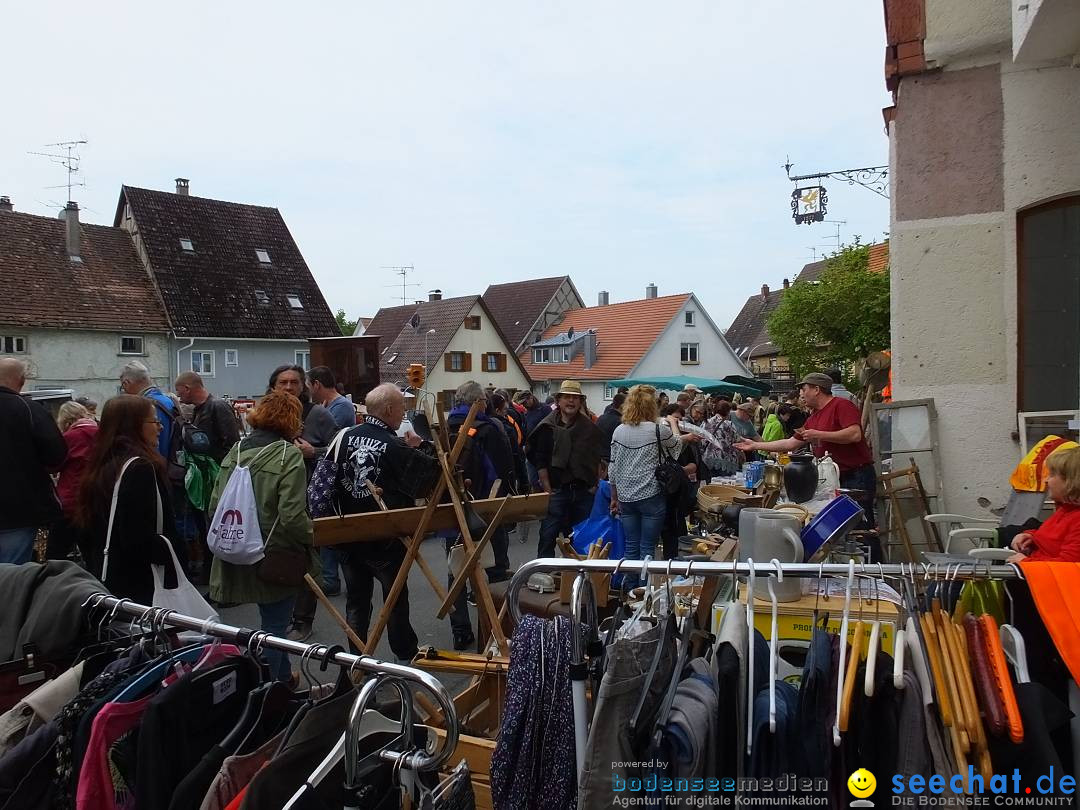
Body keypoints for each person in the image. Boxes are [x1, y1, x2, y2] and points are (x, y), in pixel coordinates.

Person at [208, 390, 319, 681]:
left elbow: (214, 504)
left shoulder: (236, 451)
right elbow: (293, 516)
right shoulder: (288, 455)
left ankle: (278, 681)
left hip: (236, 548)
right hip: (274, 556)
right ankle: (274, 690)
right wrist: (314, 537)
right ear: (292, 419)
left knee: (260, 629)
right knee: (275, 628)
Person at [323, 383, 428, 662]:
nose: (403, 414)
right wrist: (421, 451)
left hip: (348, 533)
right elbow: (424, 483)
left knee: (357, 601)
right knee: (394, 599)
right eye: (402, 409)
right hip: (386, 538)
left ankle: (357, 656)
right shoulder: (394, 445)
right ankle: (404, 652)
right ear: (390, 410)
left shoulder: (343, 437)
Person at [76, 395, 186, 604]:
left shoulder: (102, 464)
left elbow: (85, 528)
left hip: (108, 575)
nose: (160, 428)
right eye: (155, 421)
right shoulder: (140, 469)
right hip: (141, 582)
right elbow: (139, 537)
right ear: (134, 426)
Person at [737, 372, 878, 533]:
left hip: (856, 476)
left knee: (860, 529)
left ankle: (873, 558)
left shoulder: (842, 405)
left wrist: (819, 434)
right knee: (839, 530)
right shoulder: (814, 417)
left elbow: (854, 434)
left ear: (817, 389)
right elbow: (790, 443)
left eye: (804, 389)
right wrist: (755, 445)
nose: (801, 394)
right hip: (834, 477)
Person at [446, 382, 517, 649]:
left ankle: (460, 631)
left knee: (456, 570)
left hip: (451, 510)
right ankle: (494, 629)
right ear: (481, 403)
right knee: (494, 569)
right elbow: (502, 470)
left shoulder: (446, 426)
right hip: (486, 510)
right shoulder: (490, 429)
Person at [608, 387, 686, 570]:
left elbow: (612, 468)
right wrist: (673, 424)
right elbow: (676, 448)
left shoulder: (619, 431)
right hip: (651, 494)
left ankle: (629, 590)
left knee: (631, 546)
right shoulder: (658, 430)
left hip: (626, 496)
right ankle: (644, 592)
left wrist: (614, 496)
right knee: (647, 548)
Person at [0, 358, 67, 563]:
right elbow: (57, 455)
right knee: (11, 577)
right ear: (21, 380)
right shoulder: (27, 408)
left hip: (17, 510)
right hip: (17, 509)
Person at [528, 380, 604, 558]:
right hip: (556, 491)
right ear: (559, 400)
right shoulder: (547, 426)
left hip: (583, 492)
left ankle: (577, 576)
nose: (571, 401)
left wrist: (595, 485)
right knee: (548, 535)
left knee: (581, 537)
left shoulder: (589, 428)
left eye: (575, 398)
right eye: (567, 397)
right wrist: (547, 489)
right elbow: (540, 459)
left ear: (580, 401)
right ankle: (543, 572)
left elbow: (600, 458)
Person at [1009, 447, 1080, 562]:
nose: (1046, 480)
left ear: (1071, 481)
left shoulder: (1076, 518)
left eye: (1051, 475)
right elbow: (1053, 540)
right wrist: (1030, 536)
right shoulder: (1065, 510)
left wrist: (1025, 563)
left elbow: (1069, 567)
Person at [50, 401, 98, 560]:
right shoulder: (100, 432)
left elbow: (54, 464)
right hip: (94, 497)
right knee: (92, 553)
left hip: (70, 498)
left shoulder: (68, 437)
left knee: (55, 553)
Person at [174, 371, 241, 463]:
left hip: (219, 472)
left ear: (187, 389)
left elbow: (233, 445)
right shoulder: (198, 410)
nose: (177, 395)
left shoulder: (219, 407)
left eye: (177, 390)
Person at [119, 360, 176, 461]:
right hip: (172, 464)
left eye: (122, 387)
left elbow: (152, 445)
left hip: (156, 466)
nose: (124, 391)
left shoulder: (145, 406)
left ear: (126, 383)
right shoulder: (168, 400)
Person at [307, 365, 357, 430]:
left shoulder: (343, 406)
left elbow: (323, 434)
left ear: (316, 384)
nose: (307, 390)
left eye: (308, 385)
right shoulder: (324, 405)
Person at [701, 400, 742, 477]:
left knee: (710, 486)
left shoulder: (706, 423)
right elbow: (737, 441)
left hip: (708, 460)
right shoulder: (729, 425)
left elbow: (702, 441)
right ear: (728, 412)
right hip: (726, 461)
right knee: (723, 487)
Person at [596, 392, 626, 463]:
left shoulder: (601, 418)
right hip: (612, 460)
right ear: (622, 406)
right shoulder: (620, 422)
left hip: (598, 458)